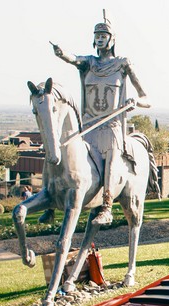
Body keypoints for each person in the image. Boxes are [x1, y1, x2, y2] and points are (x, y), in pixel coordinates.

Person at [51, 16, 151, 227]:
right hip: (89, 125)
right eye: (96, 36)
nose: (99, 40)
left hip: (112, 126)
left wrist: (135, 101)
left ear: (111, 39)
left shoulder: (122, 64)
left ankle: (107, 206)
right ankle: (52, 199)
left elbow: (146, 98)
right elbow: (74, 58)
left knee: (112, 155)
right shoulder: (89, 63)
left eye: (103, 36)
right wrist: (62, 54)